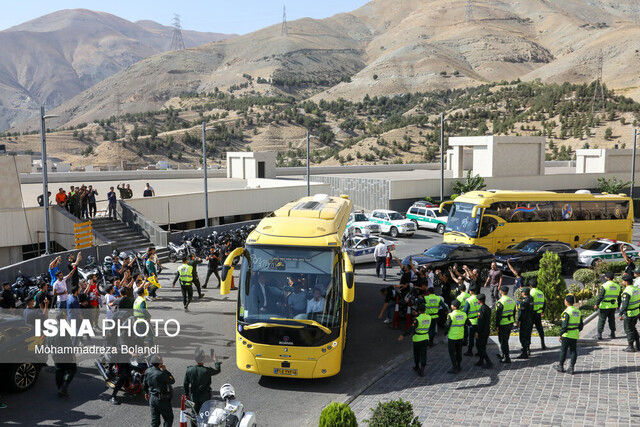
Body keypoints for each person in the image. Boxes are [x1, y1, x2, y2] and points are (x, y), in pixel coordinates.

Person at [184, 349, 222, 423]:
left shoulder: (189, 370)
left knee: (194, 414)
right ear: (204, 358)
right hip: (205, 396)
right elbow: (217, 370)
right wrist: (215, 360)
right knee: (205, 414)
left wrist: (186, 394)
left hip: (194, 396)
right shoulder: (207, 370)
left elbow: (185, 383)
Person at [553, 295, 583, 374]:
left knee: (563, 350)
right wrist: (575, 330)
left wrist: (560, 334)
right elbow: (581, 326)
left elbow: (564, 326)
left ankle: (561, 366)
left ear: (566, 302)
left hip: (566, 335)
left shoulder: (567, 312)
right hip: (574, 334)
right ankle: (571, 368)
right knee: (573, 351)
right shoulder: (578, 311)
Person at [398, 303, 430, 376]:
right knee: (424, 354)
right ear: (425, 310)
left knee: (416, 354)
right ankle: (422, 369)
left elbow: (411, 329)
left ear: (418, 311)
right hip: (425, 338)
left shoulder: (417, 319)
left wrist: (403, 335)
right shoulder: (429, 317)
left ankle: (416, 366)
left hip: (417, 339)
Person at [143, 355, 175, 427]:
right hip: (162, 400)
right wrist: (165, 370)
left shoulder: (147, 371)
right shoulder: (161, 374)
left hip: (152, 398)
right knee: (168, 419)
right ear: (160, 363)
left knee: (155, 421)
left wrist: (146, 393)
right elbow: (172, 380)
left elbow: (144, 384)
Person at [594, 272, 620, 340]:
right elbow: (619, 297)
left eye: (605, 277)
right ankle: (612, 334)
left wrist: (597, 304)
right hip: (613, 306)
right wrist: (619, 305)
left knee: (602, 320)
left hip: (605, 306)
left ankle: (599, 335)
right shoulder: (617, 286)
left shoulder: (605, 286)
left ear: (607, 278)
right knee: (612, 320)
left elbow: (600, 296)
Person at [618, 273, 640, 352]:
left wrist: (620, 314)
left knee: (629, 330)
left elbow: (624, 305)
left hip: (629, 314)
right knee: (633, 329)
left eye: (623, 281)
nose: (622, 283)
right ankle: (638, 345)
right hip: (636, 312)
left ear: (626, 282)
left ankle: (630, 346)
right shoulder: (636, 289)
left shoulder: (627, 291)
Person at [445, 299, 467, 374]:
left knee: (452, 352)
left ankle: (454, 367)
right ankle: (459, 366)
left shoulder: (451, 315)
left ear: (454, 306)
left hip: (452, 337)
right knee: (459, 351)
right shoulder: (464, 314)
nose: (451, 306)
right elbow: (468, 323)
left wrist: (445, 333)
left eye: (451, 305)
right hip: (460, 336)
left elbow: (447, 326)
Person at [494, 286, 515, 363]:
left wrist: (496, 325)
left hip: (503, 323)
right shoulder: (512, 300)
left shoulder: (500, 302)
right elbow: (514, 312)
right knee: (506, 339)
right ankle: (503, 354)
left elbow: (498, 315)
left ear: (501, 292)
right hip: (510, 322)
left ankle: (507, 357)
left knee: (503, 341)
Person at [474, 293, 493, 368]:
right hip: (486, 329)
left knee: (480, 346)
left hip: (482, 331)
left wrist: (477, 332)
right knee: (483, 346)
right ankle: (481, 360)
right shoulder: (487, 307)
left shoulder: (481, 309)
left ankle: (488, 362)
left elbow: (480, 322)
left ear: (479, 301)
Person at [462, 286, 481, 356]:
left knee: (471, 338)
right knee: (478, 337)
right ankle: (479, 351)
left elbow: (465, 311)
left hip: (471, 322)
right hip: (479, 320)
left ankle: (470, 351)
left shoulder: (469, 300)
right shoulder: (479, 298)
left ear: (470, 291)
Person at [517, 287, 534, 359]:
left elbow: (521, 313)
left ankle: (524, 353)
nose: (521, 293)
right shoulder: (531, 298)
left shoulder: (524, 302)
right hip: (530, 319)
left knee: (523, 337)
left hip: (525, 321)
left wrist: (519, 321)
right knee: (528, 335)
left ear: (524, 293)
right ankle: (528, 349)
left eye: (522, 292)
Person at [529, 278, 547, 350]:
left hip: (531, 314)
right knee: (540, 329)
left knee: (529, 330)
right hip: (538, 313)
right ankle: (543, 344)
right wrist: (542, 311)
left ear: (530, 285)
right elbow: (544, 303)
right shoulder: (541, 292)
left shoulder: (531, 293)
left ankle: (528, 347)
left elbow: (529, 304)